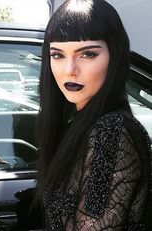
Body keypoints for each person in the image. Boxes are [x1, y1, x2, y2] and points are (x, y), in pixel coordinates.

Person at [36, 0, 152, 230]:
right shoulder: (78, 124)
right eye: (58, 55)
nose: (69, 69)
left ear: (115, 57)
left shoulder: (111, 131)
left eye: (87, 54)